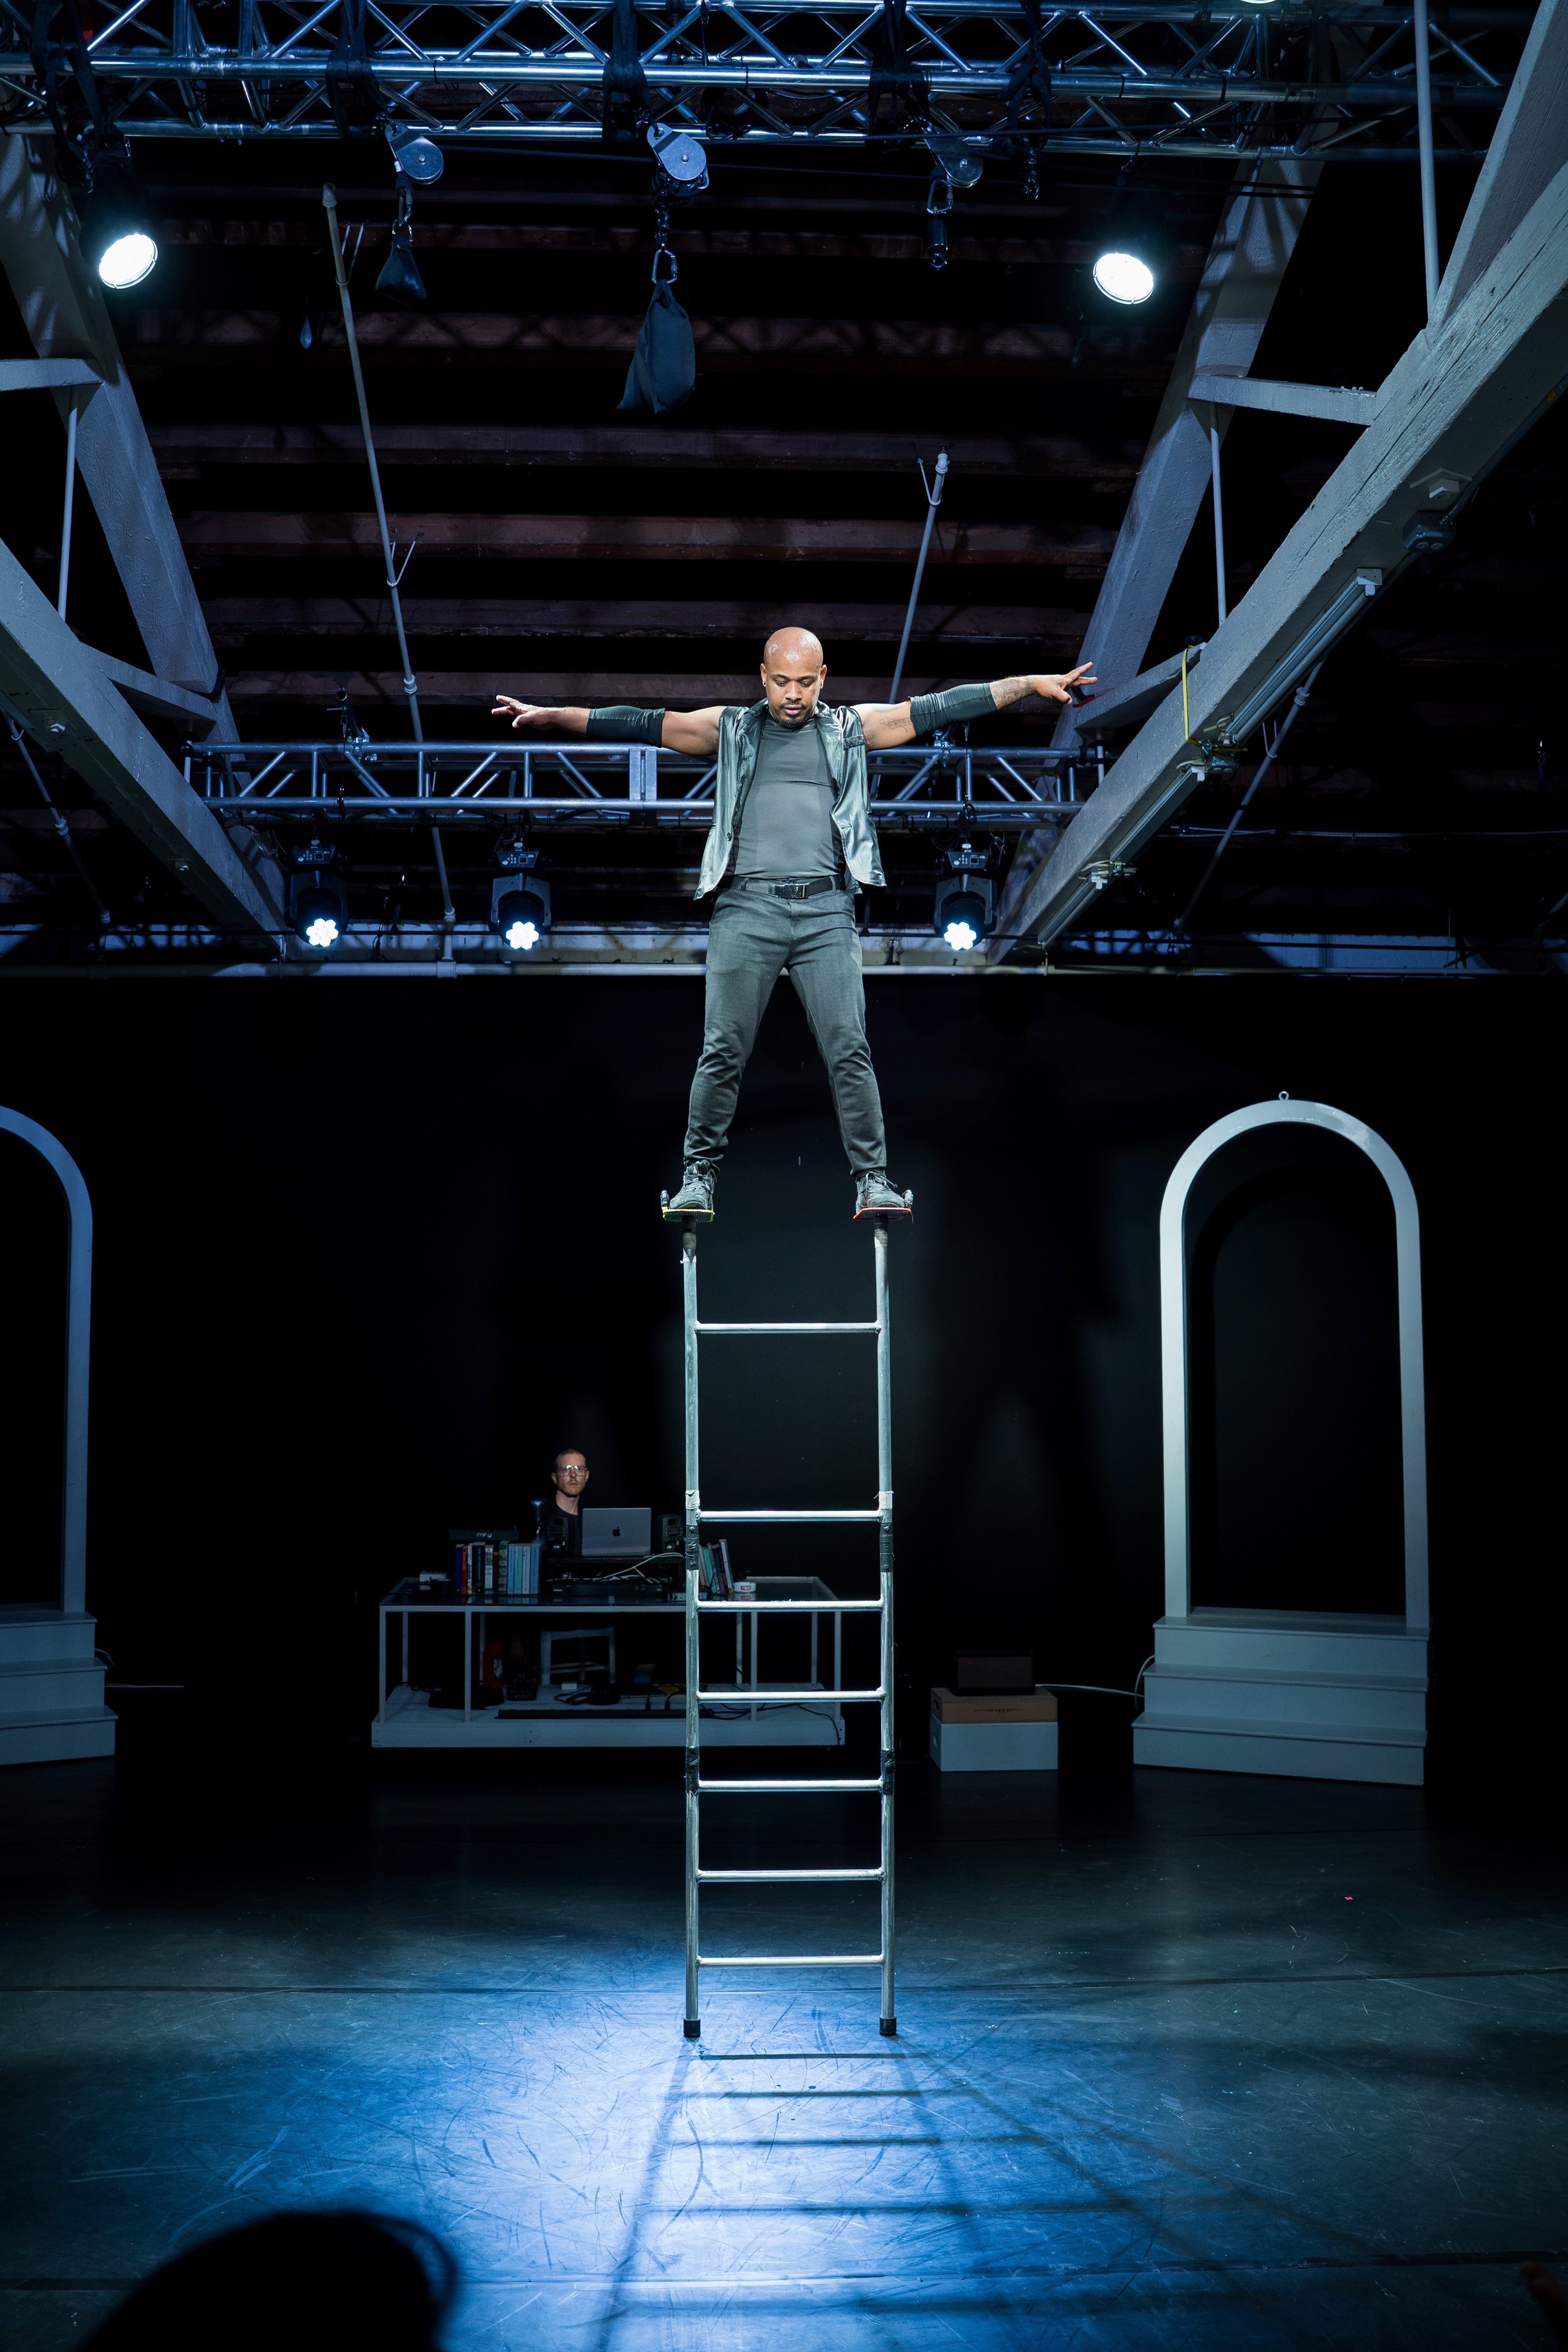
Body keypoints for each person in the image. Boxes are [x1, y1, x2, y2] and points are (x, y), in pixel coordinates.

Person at [492, 629, 1094, 1222]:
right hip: (745, 908)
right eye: (782, 682)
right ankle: (698, 1177)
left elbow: (940, 708)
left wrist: (1029, 686)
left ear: (823, 679)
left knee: (848, 1048)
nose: (793, 696)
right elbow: (643, 721)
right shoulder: (728, 728)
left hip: (826, 911)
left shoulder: (851, 728)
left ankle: (873, 1179)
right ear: (763, 676)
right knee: (723, 1049)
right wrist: (553, 716)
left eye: (806, 683)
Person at [538, 1446, 589, 1560]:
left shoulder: (593, 1518)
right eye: (566, 1469)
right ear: (555, 1478)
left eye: (579, 1469)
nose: (573, 1475)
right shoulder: (541, 1516)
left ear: (586, 1476)